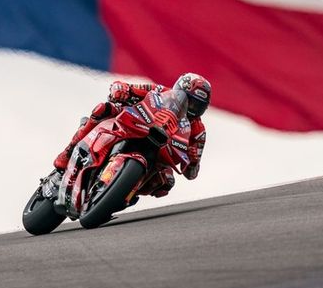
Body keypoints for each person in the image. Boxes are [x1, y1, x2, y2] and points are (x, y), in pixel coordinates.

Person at [53, 72, 211, 198]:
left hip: (160, 152)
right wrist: (121, 90)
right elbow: (123, 87)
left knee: (165, 183)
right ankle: (68, 152)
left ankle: (123, 193)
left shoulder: (199, 131)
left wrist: (193, 162)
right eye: (189, 101)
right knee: (103, 109)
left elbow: (191, 174)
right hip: (133, 124)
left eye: (197, 105)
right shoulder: (159, 91)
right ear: (178, 90)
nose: (190, 107)